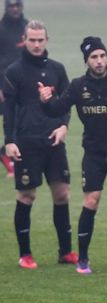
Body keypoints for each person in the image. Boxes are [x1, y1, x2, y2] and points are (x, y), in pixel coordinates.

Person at [39, 36, 107, 276]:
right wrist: (45, 101)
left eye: (102, 56)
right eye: (94, 57)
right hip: (93, 155)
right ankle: (83, 260)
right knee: (91, 201)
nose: (99, 61)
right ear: (86, 61)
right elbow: (57, 109)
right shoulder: (78, 86)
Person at [3, 20, 77, 269]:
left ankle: (65, 252)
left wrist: (64, 126)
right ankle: (25, 255)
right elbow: (9, 109)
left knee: (62, 193)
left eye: (40, 40)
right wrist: (9, 142)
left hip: (53, 140)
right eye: (31, 40)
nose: (36, 44)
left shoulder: (57, 69)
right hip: (26, 142)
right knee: (27, 195)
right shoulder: (14, 71)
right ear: (24, 40)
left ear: (47, 40)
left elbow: (67, 102)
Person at [0, 0, 28, 178]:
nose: (15, 9)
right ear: (6, 7)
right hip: (4, 85)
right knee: (12, 121)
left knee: (22, 123)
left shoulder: (27, 28)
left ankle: (6, 153)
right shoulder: (1, 29)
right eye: (12, 6)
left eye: (18, 5)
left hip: (24, 86)